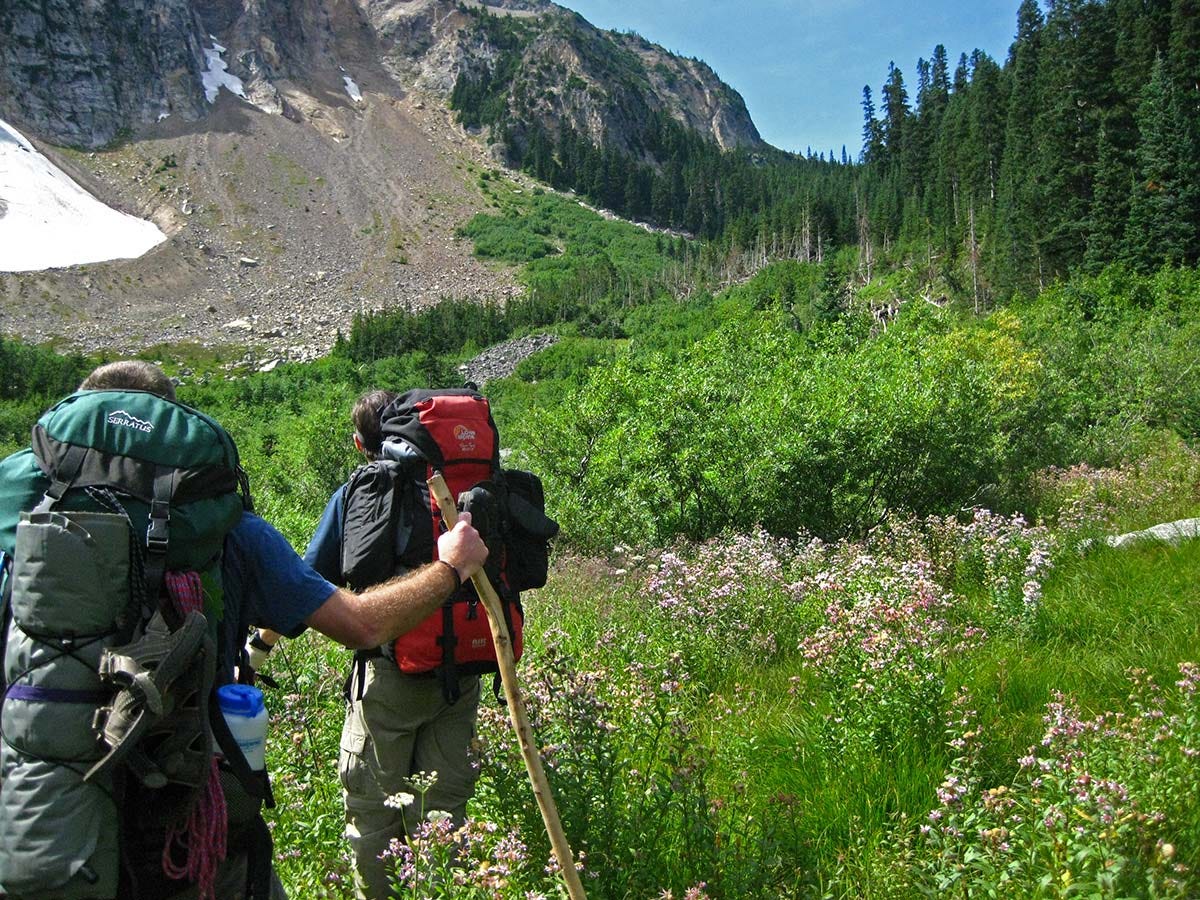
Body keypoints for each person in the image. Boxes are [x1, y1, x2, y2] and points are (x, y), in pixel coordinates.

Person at [0, 362, 488, 900]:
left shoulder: (14, 518)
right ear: (175, 419)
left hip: (33, 792)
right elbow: (362, 624)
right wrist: (450, 569)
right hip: (183, 795)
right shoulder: (222, 526)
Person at [297, 388, 485, 900]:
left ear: (363, 443)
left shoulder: (362, 491)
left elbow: (306, 583)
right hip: (462, 672)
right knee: (444, 815)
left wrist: (262, 642)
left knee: (376, 823)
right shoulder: (459, 485)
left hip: (390, 677)